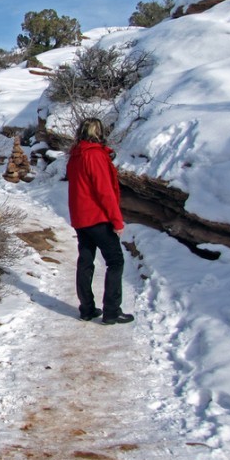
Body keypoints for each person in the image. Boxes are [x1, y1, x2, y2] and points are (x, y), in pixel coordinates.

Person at [66, 118, 134, 324]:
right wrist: (117, 221)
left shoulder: (75, 156)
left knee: (86, 261)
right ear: (99, 133)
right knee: (115, 262)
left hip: (81, 218)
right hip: (97, 218)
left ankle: (87, 309)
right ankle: (112, 311)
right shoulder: (94, 155)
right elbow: (104, 191)